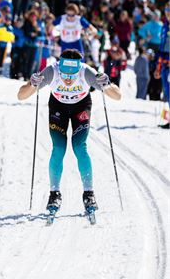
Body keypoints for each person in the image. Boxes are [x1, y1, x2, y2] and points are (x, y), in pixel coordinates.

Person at [17, 49, 121, 217]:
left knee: (80, 147)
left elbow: (117, 96)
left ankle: (89, 193)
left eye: (72, 76)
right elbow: (21, 96)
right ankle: (54, 194)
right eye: (65, 74)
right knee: (58, 148)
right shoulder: (51, 71)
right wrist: (32, 83)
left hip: (81, 107)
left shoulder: (86, 72)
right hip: (58, 108)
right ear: (60, 67)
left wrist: (107, 84)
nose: (67, 79)